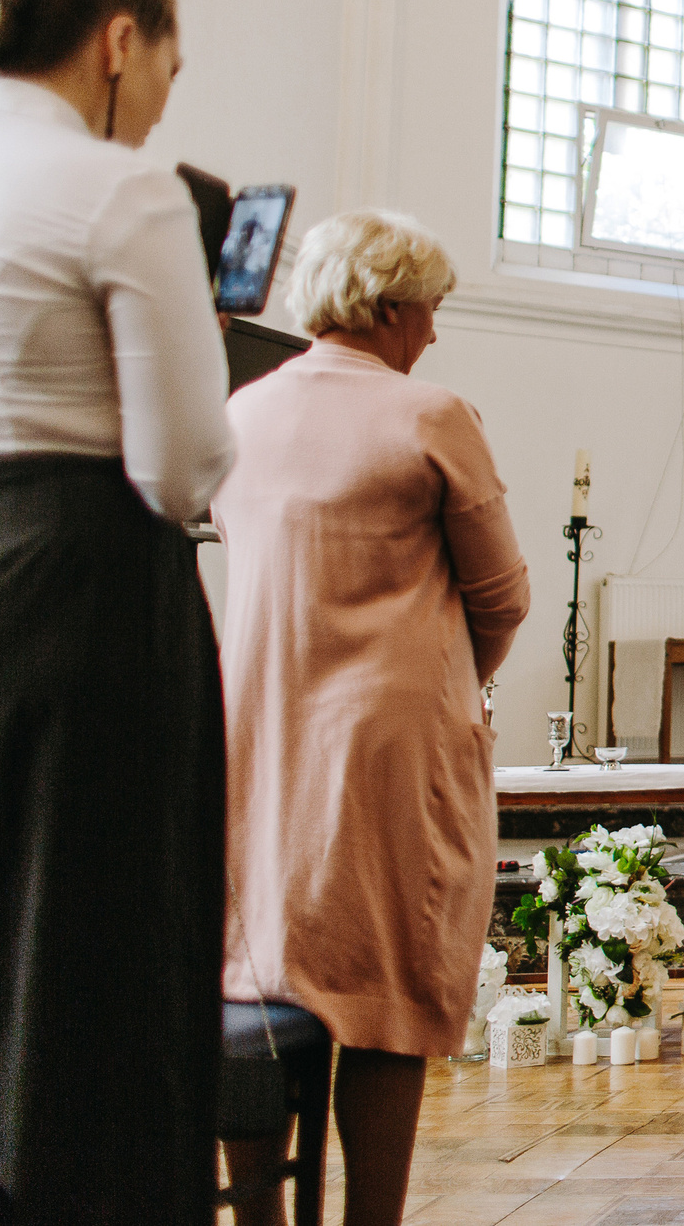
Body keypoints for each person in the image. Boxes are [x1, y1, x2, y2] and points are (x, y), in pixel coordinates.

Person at [0, 0, 237, 1223]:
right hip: (83, 590)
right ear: (119, 42)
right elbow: (185, 461)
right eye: (170, 69)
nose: (160, 106)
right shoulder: (118, 189)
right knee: (95, 962)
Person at [214, 210, 530, 1226]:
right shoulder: (429, 415)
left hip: (257, 743)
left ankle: (259, 1217)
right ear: (391, 308)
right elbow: (504, 596)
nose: (434, 333)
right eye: (430, 309)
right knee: (389, 996)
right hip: (391, 753)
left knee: (261, 978)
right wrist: (443, 685)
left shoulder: (241, 413)